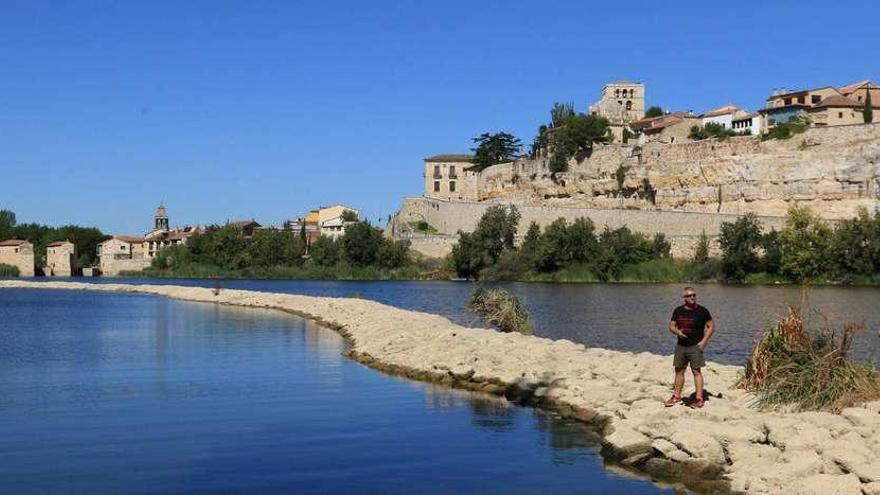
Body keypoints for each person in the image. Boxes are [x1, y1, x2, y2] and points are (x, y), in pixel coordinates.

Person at [663, 286, 715, 409]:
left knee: (696, 371)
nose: (692, 297)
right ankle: (676, 396)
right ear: (684, 298)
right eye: (689, 296)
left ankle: (699, 398)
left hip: (695, 346)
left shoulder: (702, 311)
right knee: (679, 370)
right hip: (681, 346)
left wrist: (703, 342)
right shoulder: (678, 310)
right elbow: (671, 326)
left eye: (694, 295)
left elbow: (711, 326)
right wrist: (677, 332)